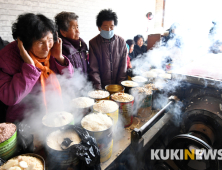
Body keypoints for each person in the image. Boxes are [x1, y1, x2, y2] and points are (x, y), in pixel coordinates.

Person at [0, 13, 74, 122]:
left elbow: (68, 78)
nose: (47, 47)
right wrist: (29, 66)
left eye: (49, 40)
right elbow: (10, 97)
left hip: (54, 114)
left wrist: (59, 58)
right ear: (25, 43)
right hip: (25, 121)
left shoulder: (52, 51)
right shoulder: (6, 59)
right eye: (40, 42)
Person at [89, 9, 127, 89]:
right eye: (105, 27)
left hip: (118, 87)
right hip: (102, 87)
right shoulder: (93, 43)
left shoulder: (121, 42)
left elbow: (123, 66)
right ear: (99, 28)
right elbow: (94, 68)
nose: (109, 30)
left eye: (111, 27)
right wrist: (99, 89)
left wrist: (120, 88)